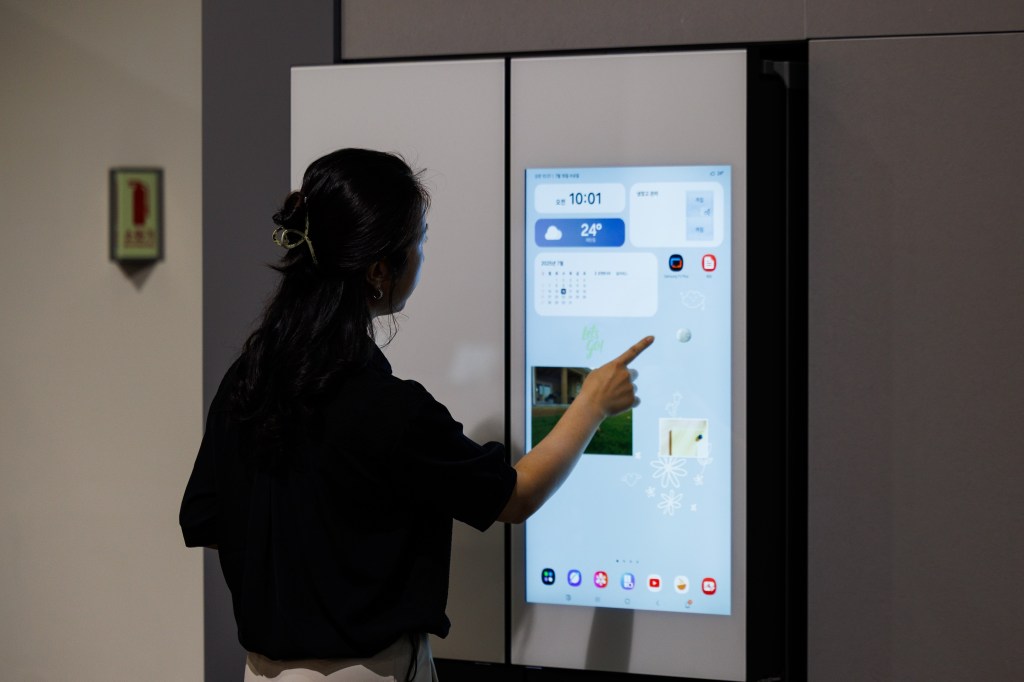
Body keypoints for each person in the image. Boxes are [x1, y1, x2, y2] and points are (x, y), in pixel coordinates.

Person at [179, 148, 653, 681]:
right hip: (368, 671)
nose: (422, 256)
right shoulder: (386, 408)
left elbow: (207, 519)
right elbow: (516, 497)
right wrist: (592, 402)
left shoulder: (249, 378)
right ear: (380, 270)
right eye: (419, 241)